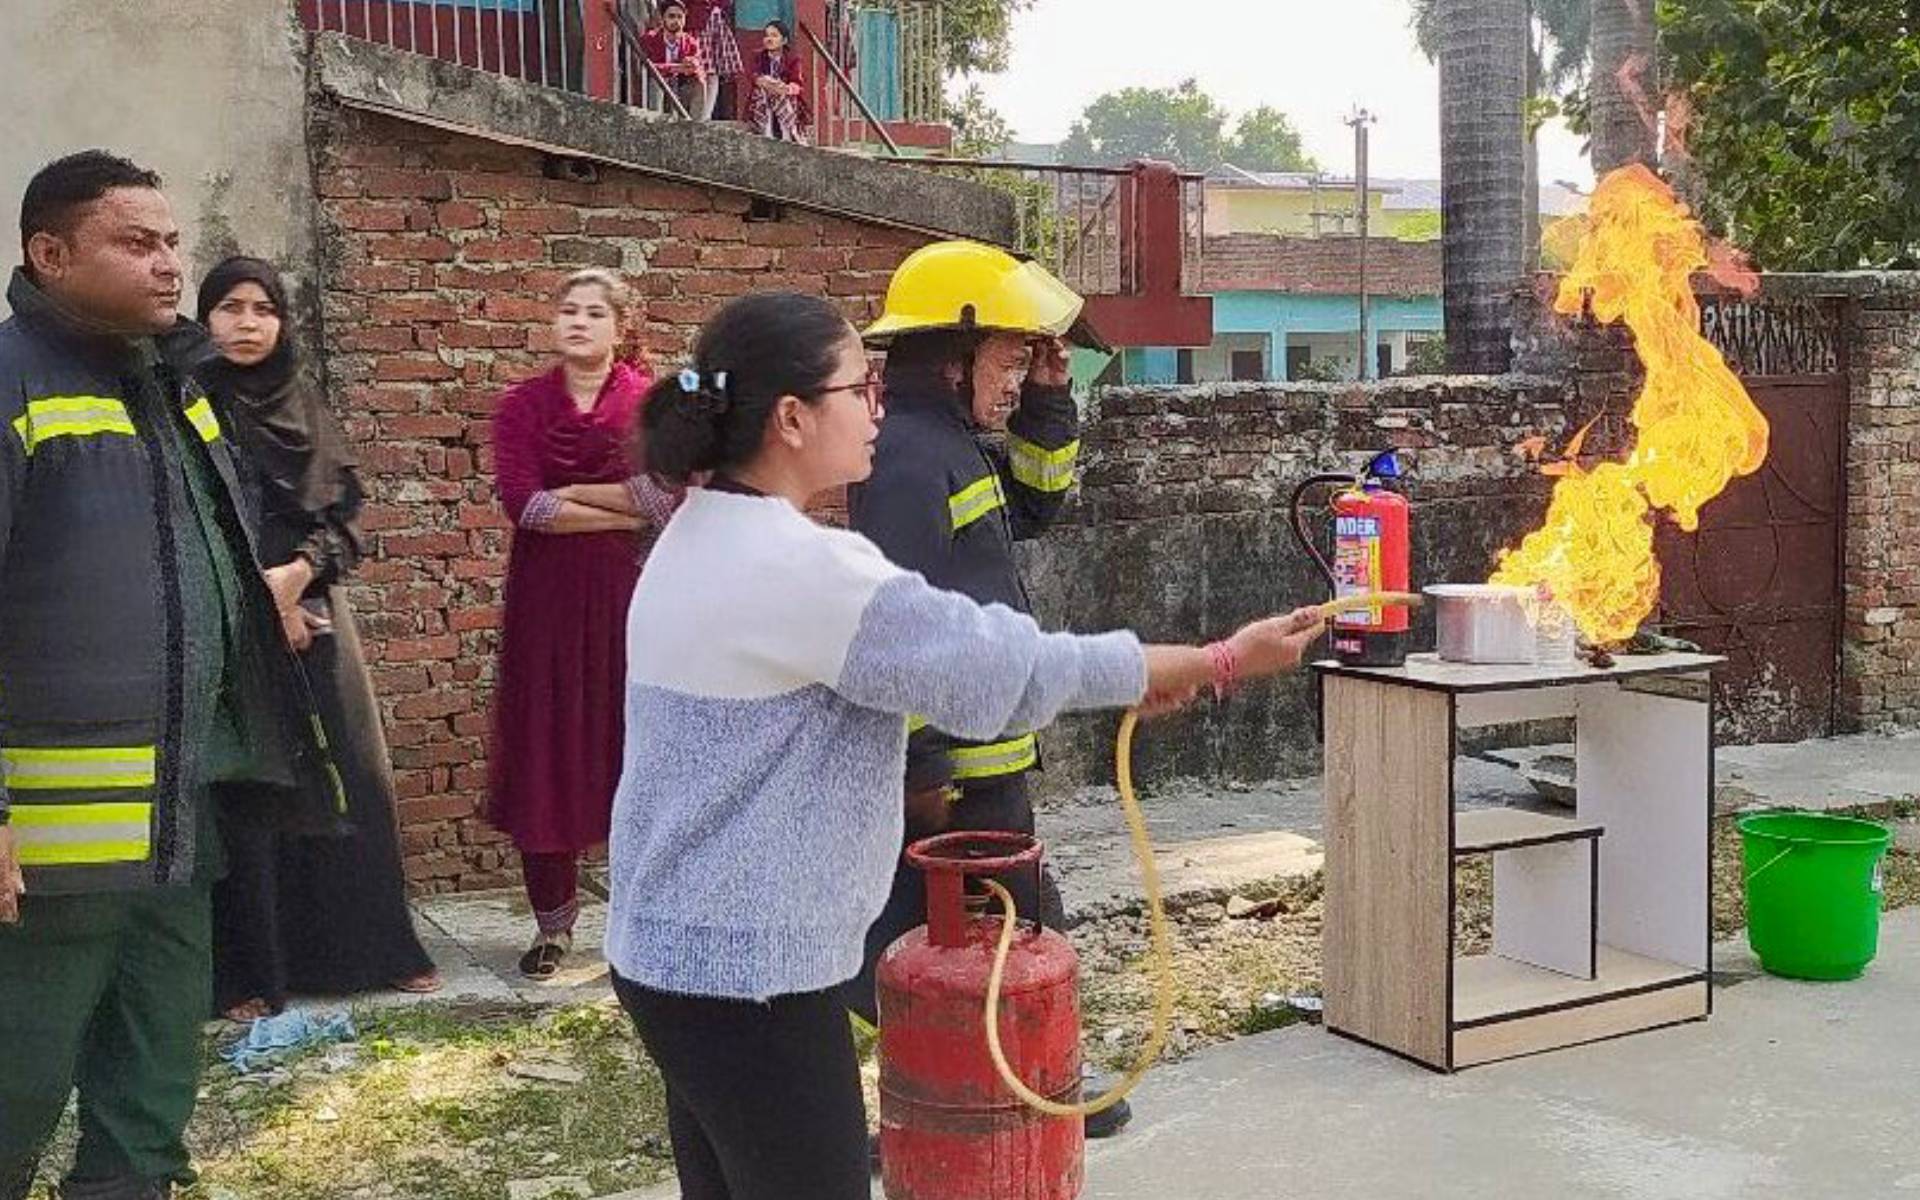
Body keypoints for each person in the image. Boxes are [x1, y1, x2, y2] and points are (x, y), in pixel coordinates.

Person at [604, 290, 1324, 1200]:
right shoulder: (795, 568)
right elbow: (1005, 669)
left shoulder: (697, 532)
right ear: (791, 417)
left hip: (675, 953)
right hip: (748, 975)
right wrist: (1221, 658)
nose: (877, 404)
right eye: (858, 387)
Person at [0, 151, 343, 1200]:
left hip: (180, 820)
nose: (167, 266)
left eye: (171, 243)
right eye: (135, 243)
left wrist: (255, 600)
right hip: (50, 851)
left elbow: (177, 548)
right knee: (19, 1073)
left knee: (152, 1075)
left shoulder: (174, 385)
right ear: (48, 254)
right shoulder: (14, 384)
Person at [842, 240, 1137, 1136]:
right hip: (957, 764)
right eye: (1010, 360)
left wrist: (1050, 401)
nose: (1017, 377)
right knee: (994, 924)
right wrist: (925, 768)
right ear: (952, 355)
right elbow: (903, 626)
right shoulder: (902, 458)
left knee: (971, 926)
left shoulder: (954, 443)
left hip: (988, 748)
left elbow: (1038, 509)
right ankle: (1040, 1083)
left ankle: (1012, 1077)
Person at [195, 256, 440, 1020]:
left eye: (262, 308)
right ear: (205, 320)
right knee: (253, 791)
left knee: (353, 780)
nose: (245, 323)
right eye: (229, 307)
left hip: (319, 617)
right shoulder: (189, 404)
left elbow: (346, 518)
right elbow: (199, 513)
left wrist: (300, 576)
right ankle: (250, 973)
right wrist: (265, 599)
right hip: (232, 624)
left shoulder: (303, 405)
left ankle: (375, 952)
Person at [489, 268, 679, 980]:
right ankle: (553, 927)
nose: (577, 322)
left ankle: (641, 917)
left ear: (621, 326)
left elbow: (666, 500)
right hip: (545, 606)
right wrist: (618, 504)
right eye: (567, 310)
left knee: (633, 748)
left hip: (629, 600)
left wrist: (574, 492)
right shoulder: (522, 407)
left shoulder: (648, 405)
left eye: (594, 312)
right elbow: (524, 505)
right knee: (545, 746)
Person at [639, 0, 705, 118]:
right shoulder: (650, 39)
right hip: (656, 88)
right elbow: (648, 66)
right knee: (657, 79)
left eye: (680, 17)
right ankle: (655, 122)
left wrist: (693, 65)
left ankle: (695, 126)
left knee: (699, 84)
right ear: (663, 19)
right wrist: (676, 68)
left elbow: (698, 66)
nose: (676, 21)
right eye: (671, 16)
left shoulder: (691, 42)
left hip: (680, 88)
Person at [746, 20, 808, 144]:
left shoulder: (793, 59)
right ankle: (766, 131)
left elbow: (797, 83)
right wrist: (766, 82)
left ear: (784, 40)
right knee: (762, 90)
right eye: (767, 35)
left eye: (774, 36)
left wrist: (785, 88)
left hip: (784, 98)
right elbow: (753, 76)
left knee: (781, 92)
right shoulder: (758, 57)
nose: (769, 39)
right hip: (763, 97)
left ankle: (787, 134)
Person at [694, 0, 744, 121]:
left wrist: (716, 6)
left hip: (714, 21)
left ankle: (705, 116)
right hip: (692, 21)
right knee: (695, 71)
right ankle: (694, 114)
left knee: (712, 70)